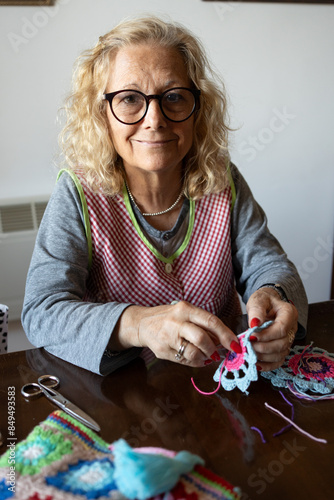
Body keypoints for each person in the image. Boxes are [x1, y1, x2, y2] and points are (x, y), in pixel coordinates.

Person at [22, 16, 308, 376]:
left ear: (197, 109)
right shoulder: (78, 192)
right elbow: (42, 311)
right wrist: (139, 324)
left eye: (173, 97)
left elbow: (271, 265)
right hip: (119, 398)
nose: (154, 119)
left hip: (218, 390)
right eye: (129, 99)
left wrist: (275, 294)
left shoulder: (222, 179)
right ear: (101, 114)